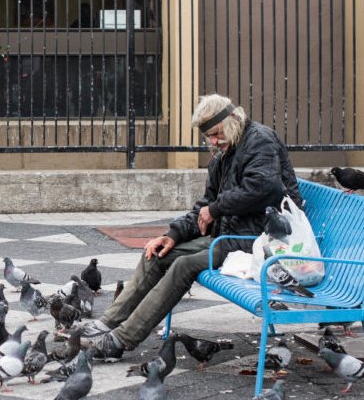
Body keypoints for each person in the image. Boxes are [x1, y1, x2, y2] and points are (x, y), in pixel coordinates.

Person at [82, 93, 303, 361]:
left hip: (262, 239)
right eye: (208, 136)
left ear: (233, 120)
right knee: (156, 253)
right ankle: (108, 322)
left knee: (183, 265)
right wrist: (172, 235)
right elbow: (205, 207)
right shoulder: (224, 155)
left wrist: (216, 210)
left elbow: (262, 188)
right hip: (231, 237)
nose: (212, 141)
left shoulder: (260, 140)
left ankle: (120, 340)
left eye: (216, 133)